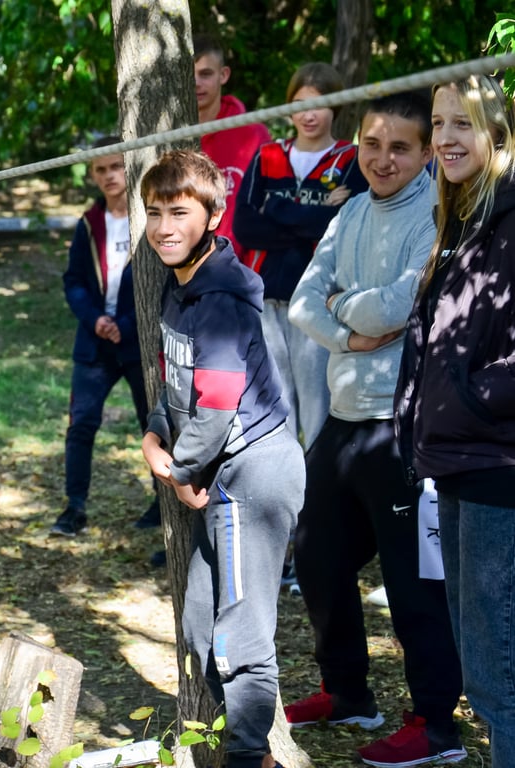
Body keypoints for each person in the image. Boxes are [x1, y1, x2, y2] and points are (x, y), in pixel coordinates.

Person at [286, 91, 466, 767]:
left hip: (402, 423)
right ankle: (346, 692)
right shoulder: (351, 210)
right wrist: (348, 330)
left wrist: (345, 310)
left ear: (424, 153)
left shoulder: (436, 211)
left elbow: (401, 303)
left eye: (398, 147)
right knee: (315, 556)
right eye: (370, 144)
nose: (381, 159)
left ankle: (435, 726)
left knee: (412, 579)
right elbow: (306, 300)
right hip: (341, 416)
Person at [140, 149, 304, 768]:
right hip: (218, 469)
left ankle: (246, 757)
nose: (163, 227)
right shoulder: (177, 286)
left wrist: (180, 472)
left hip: (252, 475)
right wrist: (155, 434)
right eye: (154, 213)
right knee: (202, 627)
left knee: (240, 639)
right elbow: (179, 387)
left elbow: (215, 405)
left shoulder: (222, 295)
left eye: (178, 212)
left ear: (213, 213)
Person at [396, 74, 515, 768]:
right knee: (484, 664)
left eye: (460, 123)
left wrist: (472, 403)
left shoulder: (508, 219)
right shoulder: (461, 217)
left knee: (499, 669)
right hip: (455, 462)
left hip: (497, 464)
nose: (443, 138)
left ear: (496, 135)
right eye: (437, 123)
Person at [234, 62, 368, 450]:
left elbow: (339, 228)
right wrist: (312, 214)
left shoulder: (350, 159)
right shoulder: (267, 156)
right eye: (299, 103)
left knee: (317, 412)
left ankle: (320, 504)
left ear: (336, 107)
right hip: (267, 301)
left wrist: (275, 208)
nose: (309, 114)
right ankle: (288, 503)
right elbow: (245, 227)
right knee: (277, 413)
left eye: (320, 103)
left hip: (317, 305)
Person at [49, 136, 155, 537]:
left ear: (129, 167)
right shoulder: (89, 223)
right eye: (101, 169)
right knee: (81, 424)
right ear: (92, 175)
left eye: (116, 167)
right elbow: (73, 279)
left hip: (137, 340)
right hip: (95, 342)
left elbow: (157, 282)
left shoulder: (147, 218)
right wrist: (95, 319)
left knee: (154, 423)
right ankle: (74, 507)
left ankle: (162, 504)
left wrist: (125, 324)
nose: (110, 176)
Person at [193, 34, 271, 259]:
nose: (196, 82)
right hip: (182, 270)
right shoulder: (169, 135)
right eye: (189, 75)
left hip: (241, 268)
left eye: (205, 74)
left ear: (223, 75)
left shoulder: (253, 133)